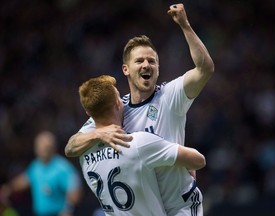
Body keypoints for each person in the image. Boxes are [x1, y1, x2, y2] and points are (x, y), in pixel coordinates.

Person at [65, 3, 214, 216]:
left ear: (158, 68)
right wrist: (98, 133)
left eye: (152, 61)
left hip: (179, 206)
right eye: (140, 61)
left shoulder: (171, 95)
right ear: (126, 69)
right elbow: (71, 146)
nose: (146, 65)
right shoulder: (117, 108)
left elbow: (205, 69)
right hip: (146, 208)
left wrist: (185, 25)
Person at [78, 75, 206, 216]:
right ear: (117, 104)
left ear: (88, 113)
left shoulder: (83, 155)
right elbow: (198, 160)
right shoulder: (136, 143)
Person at [1, 131, 83, 216]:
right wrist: (8, 189)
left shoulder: (62, 167)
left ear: (53, 147)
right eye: (40, 146)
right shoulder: (36, 166)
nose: (43, 149)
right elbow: (24, 180)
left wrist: (67, 209)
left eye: (46, 147)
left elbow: (75, 189)